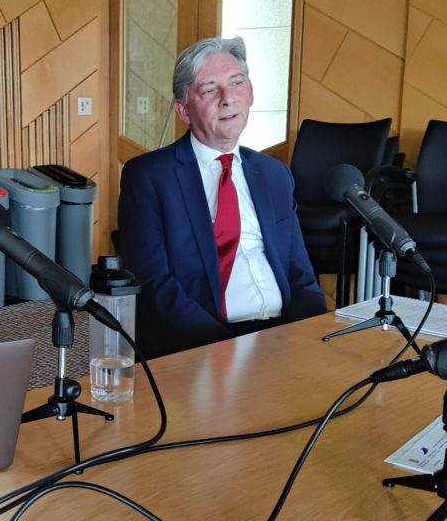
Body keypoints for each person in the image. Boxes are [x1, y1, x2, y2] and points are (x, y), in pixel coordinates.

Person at [118, 36, 326, 359]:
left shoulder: (274, 175)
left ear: (251, 92)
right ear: (183, 110)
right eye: (209, 90)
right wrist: (227, 352)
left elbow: (301, 276)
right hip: (206, 345)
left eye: (236, 83)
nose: (227, 99)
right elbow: (154, 287)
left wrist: (306, 339)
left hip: (284, 339)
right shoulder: (148, 177)